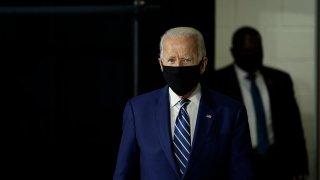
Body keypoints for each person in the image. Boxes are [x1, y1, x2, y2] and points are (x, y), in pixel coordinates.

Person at [113, 26, 254, 180]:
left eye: (187, 60)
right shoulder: (138, 110)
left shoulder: (231, 112)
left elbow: (242, 174)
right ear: (161, 64)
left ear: (202, 64)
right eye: (171, 60)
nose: (178, 67)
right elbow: (123, 173)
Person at [207, 26, 309, 180]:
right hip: (236, 164)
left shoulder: (280, 80)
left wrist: (300, 166)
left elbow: (294, 126)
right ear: (234, 52)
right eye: (248, 50)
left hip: (276, 163)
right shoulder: (217, 83)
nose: (254, 54)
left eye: (258, 49)